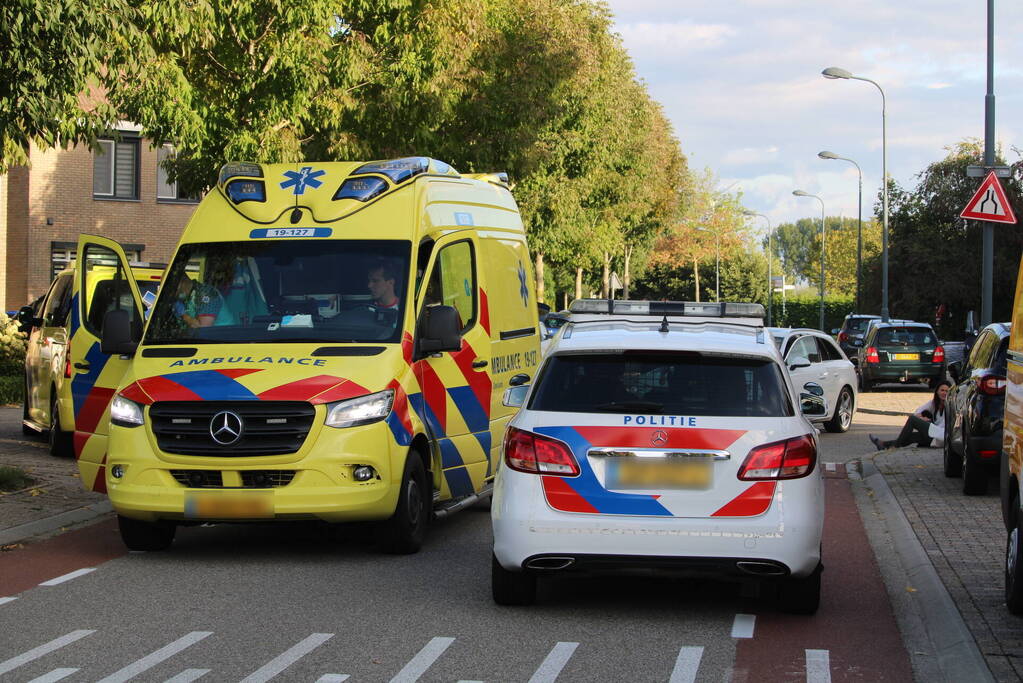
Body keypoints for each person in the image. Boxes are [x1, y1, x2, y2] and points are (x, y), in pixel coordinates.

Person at [869, 381, 951, 450]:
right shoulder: (933, 403)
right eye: (942, 390)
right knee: (911, 436)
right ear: (937, 391)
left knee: (912, 419)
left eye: (947, 391)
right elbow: (918, 411)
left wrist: (927, 424)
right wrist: (921, 418)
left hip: (940, 436)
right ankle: (883, 444)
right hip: (933, 434)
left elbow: (941, 427)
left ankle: (895, 446)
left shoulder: (950, 406)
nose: (944, 393)